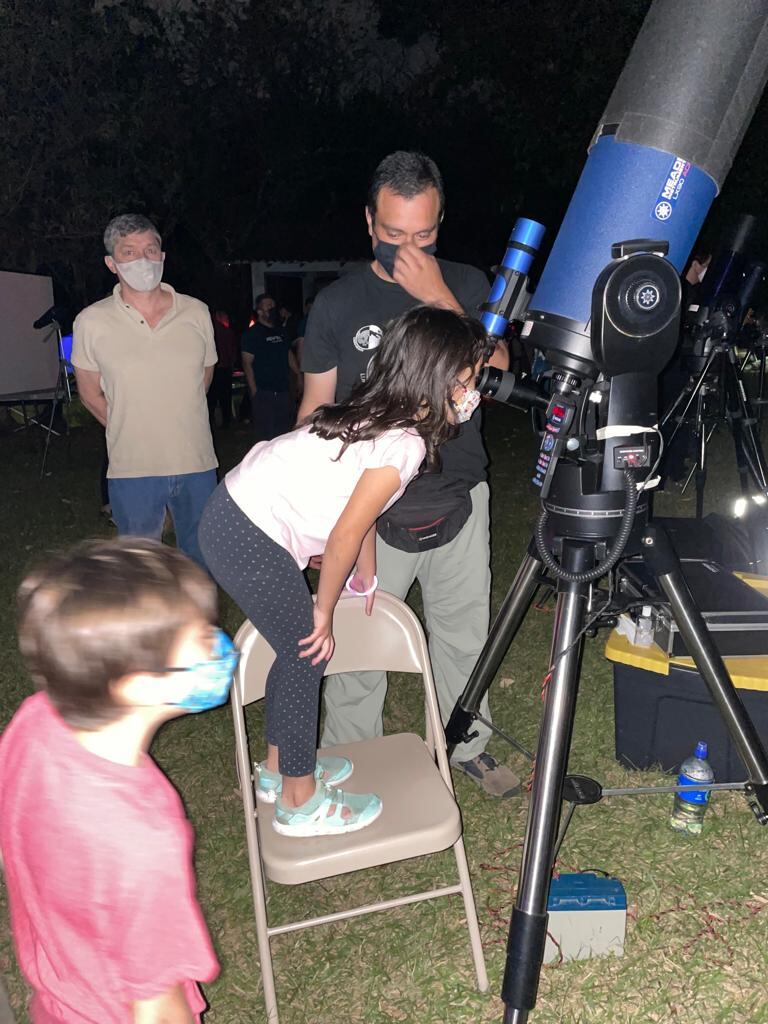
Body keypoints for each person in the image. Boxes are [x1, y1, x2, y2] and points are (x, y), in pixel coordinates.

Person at [199, 306, 491, 836]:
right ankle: (299, 800)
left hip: (238, 513)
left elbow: (362, 518)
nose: (472, 396)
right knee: (308, 652)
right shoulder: (405, 444)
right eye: (466, 383)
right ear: (435, 380)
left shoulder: (383, 410)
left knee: (297, 650)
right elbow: (342, 537)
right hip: (246, 531)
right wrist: (325, 610)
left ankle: (277, 771)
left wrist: (366, 578)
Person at [297, 150, 520, 798]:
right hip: (370, 506)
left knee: (462, 635)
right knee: (358, 643)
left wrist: (442, 300)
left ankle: (466, 743)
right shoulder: (339, 303)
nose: (407, 249)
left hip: (459, 488)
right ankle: (351, 755)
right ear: (370, 222)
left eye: (422, 236)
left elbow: (503, 376)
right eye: (394, 235)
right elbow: (314, 409)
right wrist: (312, 508)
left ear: (439, 222)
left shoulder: (468, 286)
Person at [0, 538, 234, 1023]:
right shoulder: (143, 837)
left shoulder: (34, 723)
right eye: (202, 640)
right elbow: (156, 1005)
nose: (218, 644)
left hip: (59, 1002)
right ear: (140, 685)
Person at [72, 214, 218, 568]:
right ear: (111, 263)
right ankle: (147, 626)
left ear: (163, 256)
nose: (144, 260)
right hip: (132, 468)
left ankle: (196, 625)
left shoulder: (196, 312)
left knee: (201, 562)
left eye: (151, 250)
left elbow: (204, 377)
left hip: (196, 463)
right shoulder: (91, 321)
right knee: (139, 568)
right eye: (130, 252)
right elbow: (90, 394)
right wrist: (131, 427)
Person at [240, 293, 298, 440]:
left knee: (284, 432)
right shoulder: (252, 334)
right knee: (266, 434)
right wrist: (254, 390)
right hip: (264, 392)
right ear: (259, 311)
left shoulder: (281, 331)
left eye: (273, 305)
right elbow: (247, 363)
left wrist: (298, 375)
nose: (272, 308)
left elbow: (288, 354)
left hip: (283, 390)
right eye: (268, 305)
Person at [207, 309, 239, 429]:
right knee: (225, 397)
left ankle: (211, 421)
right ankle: (226, 421)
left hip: (214, 369)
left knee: (212, 398)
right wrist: (231, 363)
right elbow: (233, 350)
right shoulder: (227, 332)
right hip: (225, 368)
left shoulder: (210, 331)